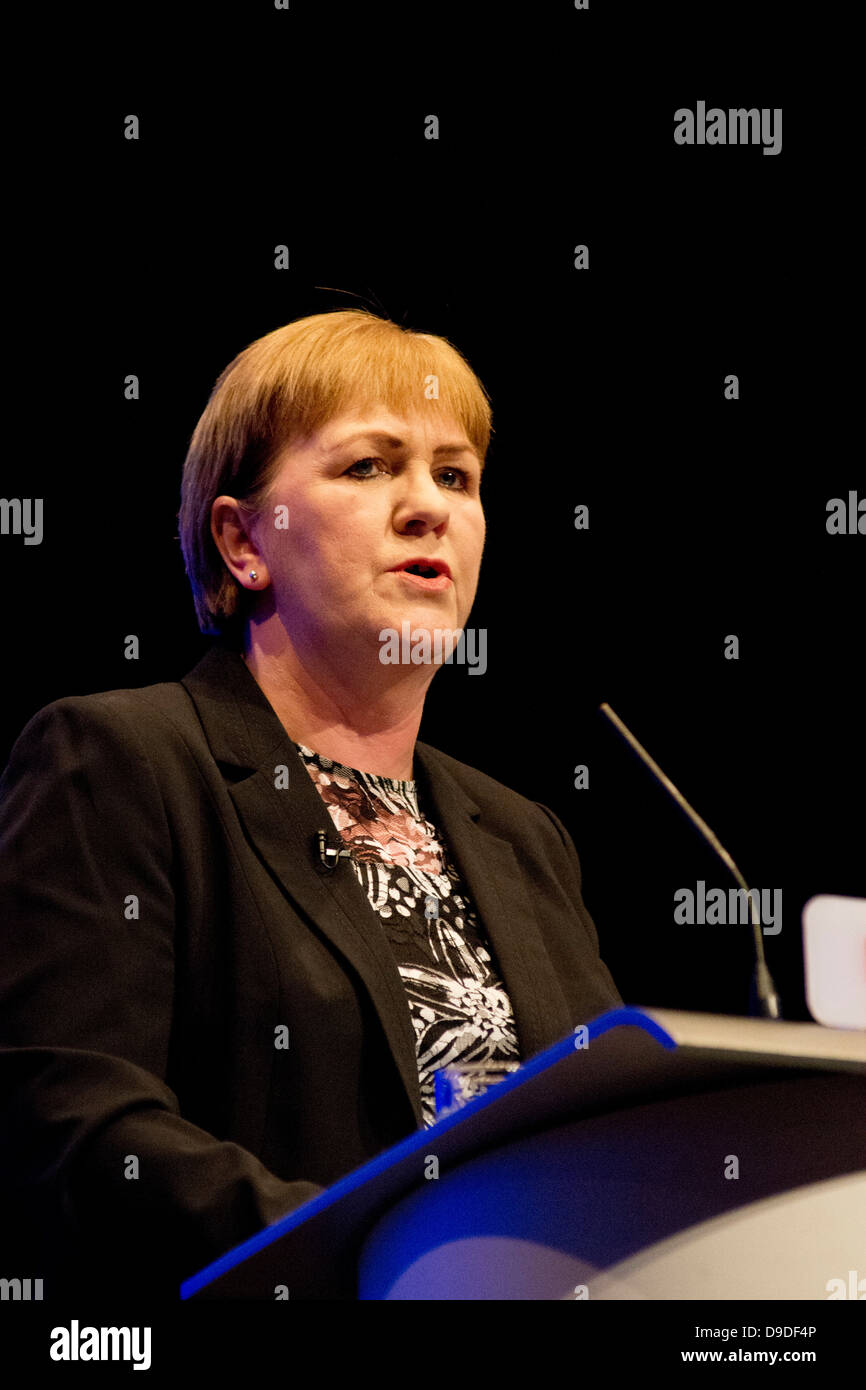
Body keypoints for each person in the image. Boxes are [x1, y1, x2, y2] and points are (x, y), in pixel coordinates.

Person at [0, 309, 622, 1301]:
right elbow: (74, 1128)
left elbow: (607, 1141)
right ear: (243, 541)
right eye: (369, 467)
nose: (428, 507)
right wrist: (383, 1259)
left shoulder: (523, 836)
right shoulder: (125, 761)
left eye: (454, 476)